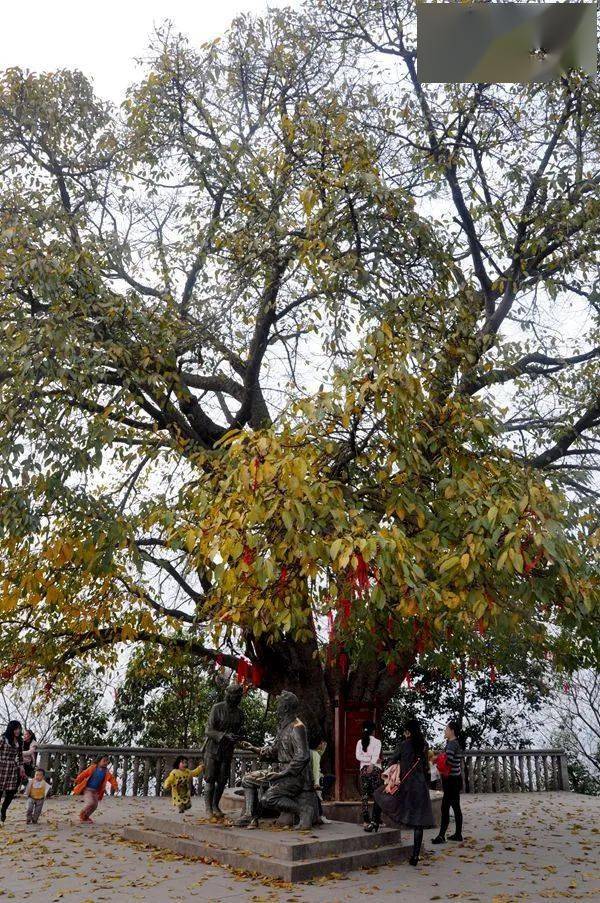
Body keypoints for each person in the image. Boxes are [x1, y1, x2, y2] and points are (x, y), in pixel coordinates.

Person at [368, 717, 435, 867]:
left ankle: (374, 822)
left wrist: (396, 767)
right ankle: (415, 856)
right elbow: (426, 767)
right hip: (420, 786)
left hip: (405, 784)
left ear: (408, 732)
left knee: (379, 794)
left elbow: (392, 760)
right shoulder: (424, 745)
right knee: (419, 822)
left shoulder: (403, 745)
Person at [202, 683, 244, 819]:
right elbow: (208, 730)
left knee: (222, 780)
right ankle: (208, 808)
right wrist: (224, 736)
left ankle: (215, 806)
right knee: (210, 779)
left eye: (240, 697)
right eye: (236, 696)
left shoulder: (240, 713)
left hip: (227, 751)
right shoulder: (217, 708)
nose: (238, 699)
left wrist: (238, 737)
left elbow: (239, 731)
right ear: (230, 696)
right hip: (212, 750)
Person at [431, 719, 464, 844]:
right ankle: (458, 834)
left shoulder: (451, 745)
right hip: (456, 779)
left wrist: (437, 759)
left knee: (445, 808)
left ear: (452, 731)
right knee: (455, 807)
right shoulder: (454, 743)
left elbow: (448, 761)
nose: (445, 731)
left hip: (451, 781)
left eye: (446, 729)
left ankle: (441, 836)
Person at [72, 755, 118, 823]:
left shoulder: (106, 772)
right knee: (90, 803)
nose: (106, 763)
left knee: (95, 805)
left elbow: (112, 779)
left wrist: (115, 786)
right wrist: (77, 780)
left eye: (107, 761)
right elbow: (84, 774)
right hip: (88, 790)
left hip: (96, 791)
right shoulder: (92, 768)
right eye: (104, 761)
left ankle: (86, 817)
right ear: (99, 761)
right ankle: (82, 814)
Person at [356, 720, 383, 827]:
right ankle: (376, 819)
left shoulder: (359, 742)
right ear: (373, 731)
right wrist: (372, 761)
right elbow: (376, 756)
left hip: (363, 770)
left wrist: (367, 760)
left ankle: (366, 820)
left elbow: (358, 757)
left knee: (365, 795)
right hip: (375, 769)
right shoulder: (377, 742)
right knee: (377, 794)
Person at [0, 720, 25, 824]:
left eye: (19, 728)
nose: (18, 731)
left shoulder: (19, 741)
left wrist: (21, 767)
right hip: (1, 767)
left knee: (11, 792)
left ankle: (3, 809)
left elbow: (20, 756)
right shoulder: (3, 739)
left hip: (12, 768)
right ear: (11, 729)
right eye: (16, 729)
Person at [310, 735, 331, 825]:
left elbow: (319, 754)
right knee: (331, 778)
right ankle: (321, 816)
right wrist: (317, 783)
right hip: (314, 780)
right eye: (321, 743)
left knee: (317, 798)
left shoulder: (310, 752)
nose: (322, 744)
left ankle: (320, 816)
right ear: (318, 745)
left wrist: (324, 747)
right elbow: (316, 769)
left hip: (308, 779)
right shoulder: (315, 754)